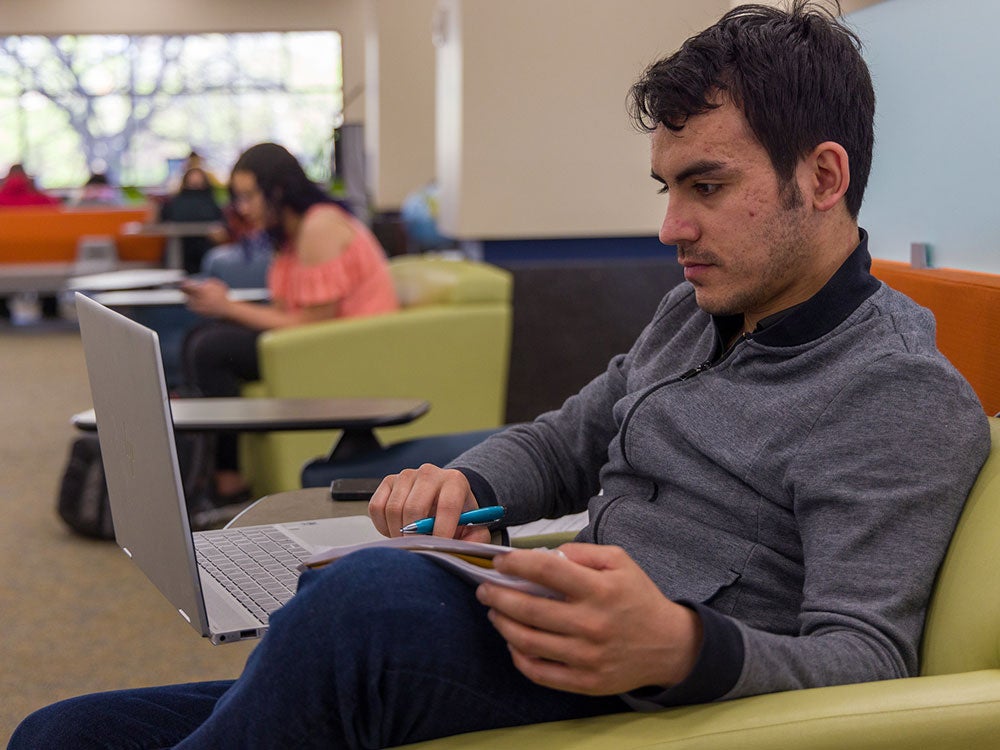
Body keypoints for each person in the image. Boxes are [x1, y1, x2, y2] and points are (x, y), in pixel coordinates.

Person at [9, 3, 991, 747]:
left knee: (363, 604)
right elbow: (566, 440)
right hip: (541, 620)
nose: (669, 227)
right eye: (666, 187)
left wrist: (689, 649)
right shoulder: (700, 313)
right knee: (62, 734)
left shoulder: (896, 394)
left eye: (707, 186)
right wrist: (468, 482)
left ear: (821, 179)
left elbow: (869, 657)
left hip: (644, 692)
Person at [180, 142, 399, 514]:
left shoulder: (319, 226)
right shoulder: (289, 235)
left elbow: (311, 326)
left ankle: (226, 475)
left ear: (277, 190)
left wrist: (229, 306)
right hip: (312, 344)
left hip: (345, 348)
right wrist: (226, 308)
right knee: (203, 338)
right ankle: (214, 469)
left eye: (249, 196)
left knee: (211, 349)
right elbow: (287, 312)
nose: (243, 208)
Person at [158, 166, 226, 274]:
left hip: (206, 244)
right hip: (181, 246)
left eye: (198, 182)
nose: (195, 183)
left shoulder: (211, 200)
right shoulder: (175, 201)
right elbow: (163, 219)